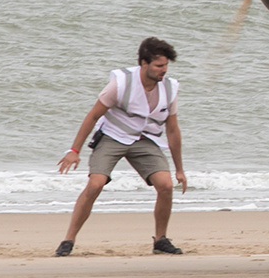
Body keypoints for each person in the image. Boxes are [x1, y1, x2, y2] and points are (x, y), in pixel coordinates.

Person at [55, 37, 188, 255]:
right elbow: (92, 116)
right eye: (159, 65)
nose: (164, 70)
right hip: (112, 136)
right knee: (96, 184)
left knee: (165, 185)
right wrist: (74, 151)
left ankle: (161, 240)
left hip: (145, 139)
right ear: (144, 64)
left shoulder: (170, 88)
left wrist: (179, 169)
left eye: (166, 65)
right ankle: (68, 240)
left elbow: (173, 130)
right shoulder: (121, 83)